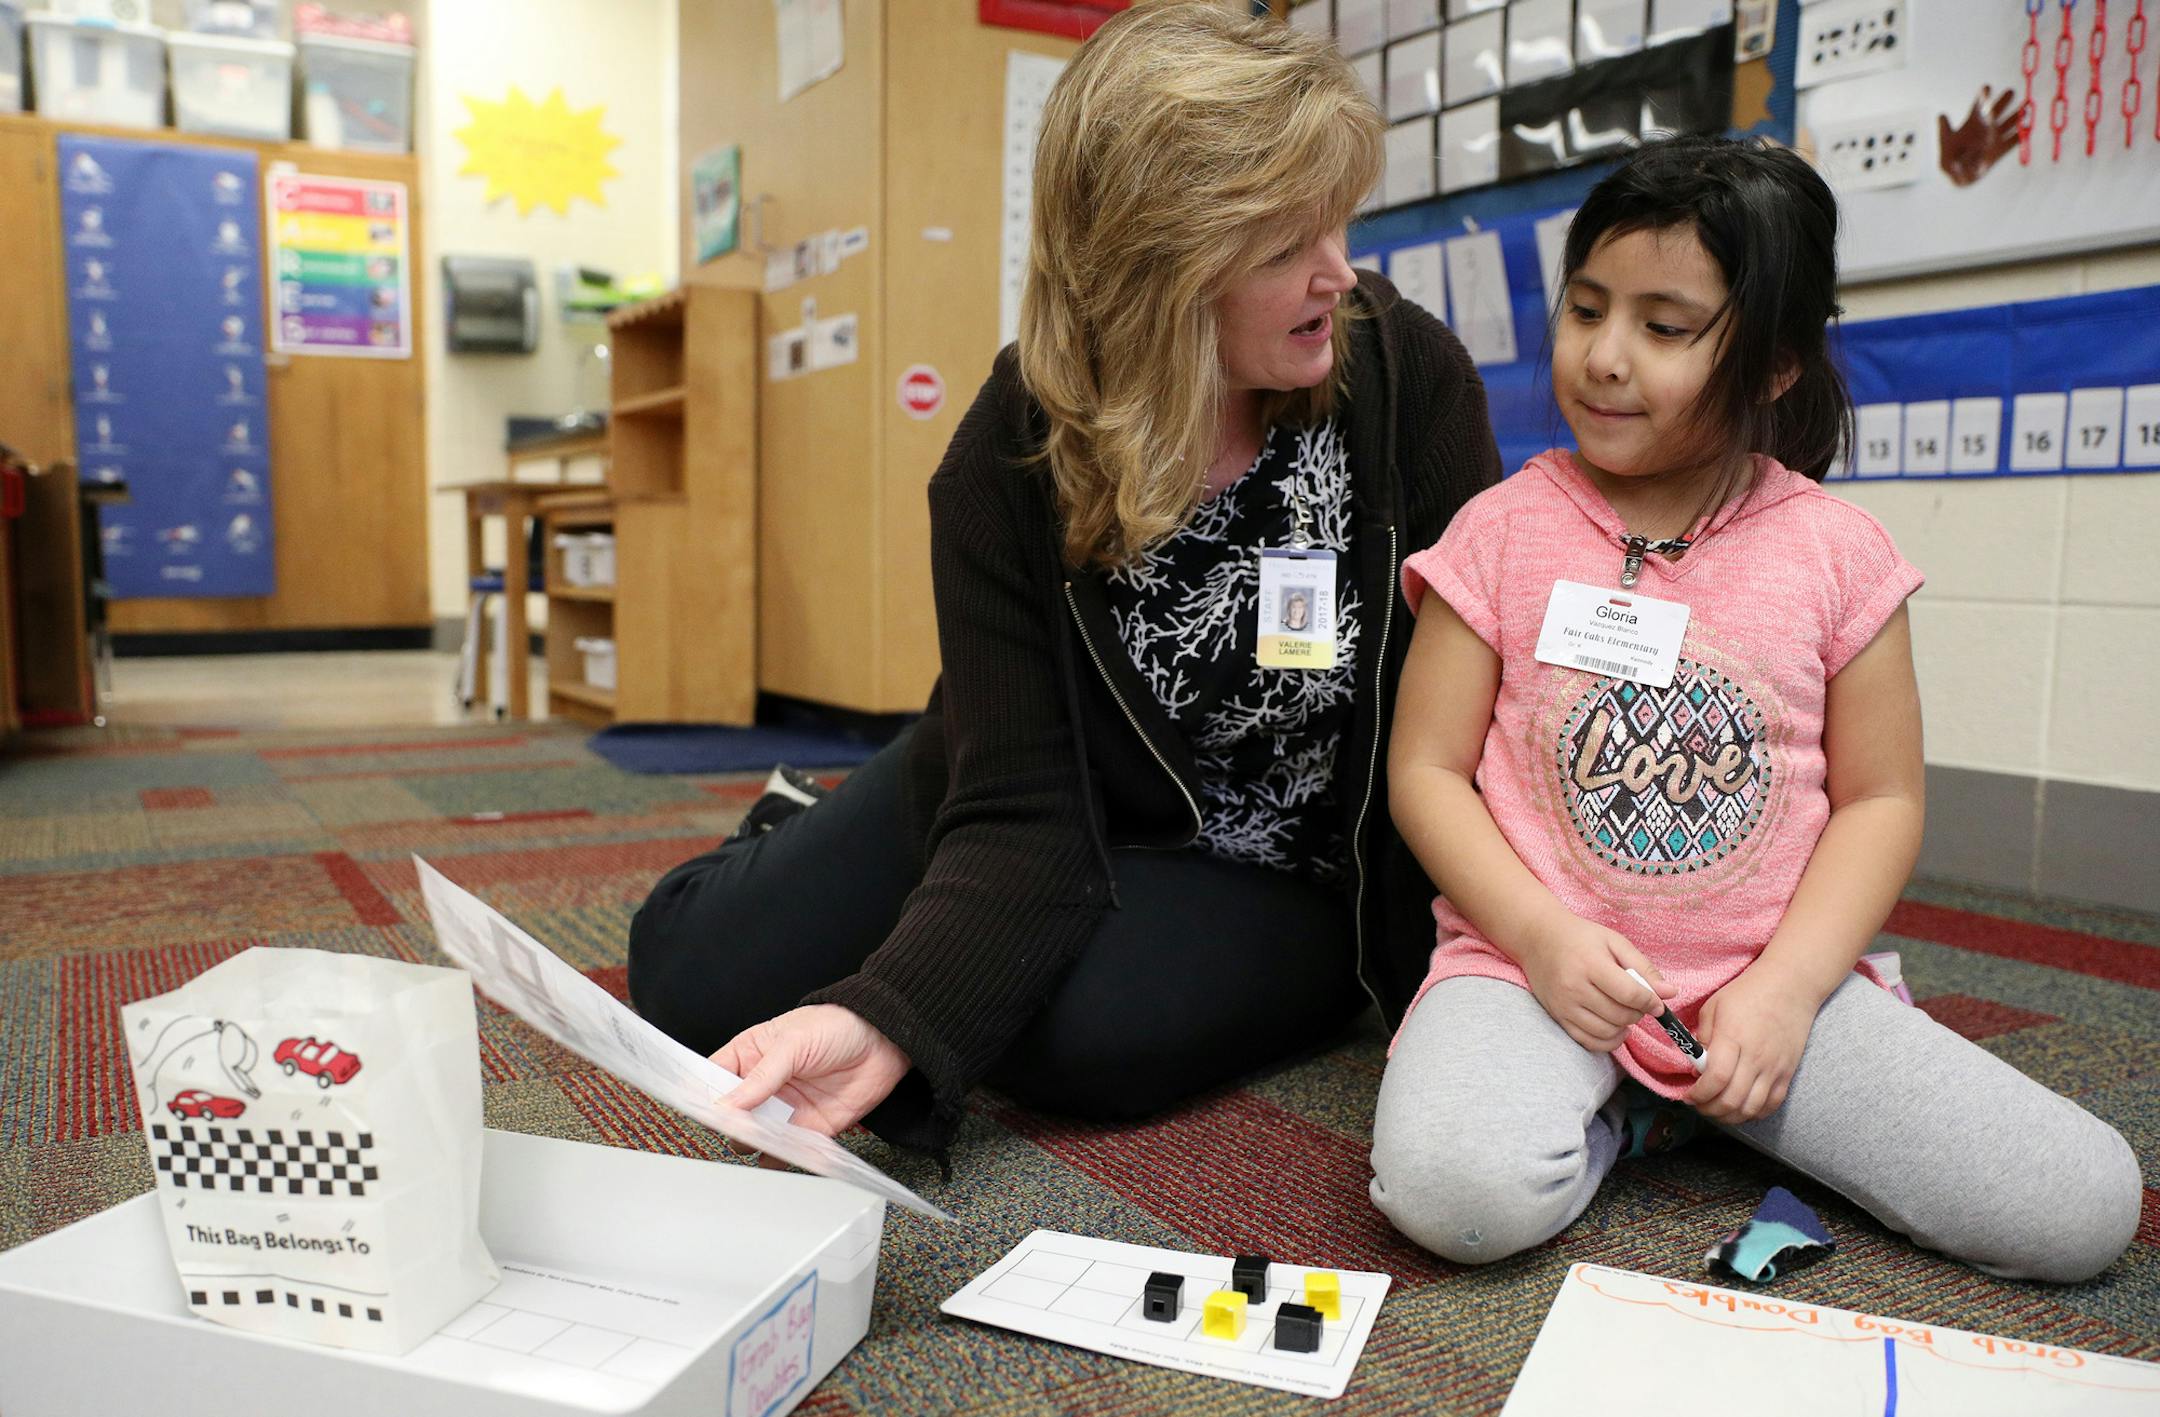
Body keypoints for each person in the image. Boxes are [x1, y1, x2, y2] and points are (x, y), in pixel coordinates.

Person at [626, 3, 1500, 1158]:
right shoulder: (1007, 455)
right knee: (686, 979)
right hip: (1015, 782)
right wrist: (882, 1015)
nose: (1338, 273)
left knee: (1079, 1040)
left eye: (1337, 224)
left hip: (1278, 857)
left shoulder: (1403, 383)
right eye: (1288, 245)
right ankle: (815, 826)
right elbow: (1023, 808)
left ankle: (950, 912)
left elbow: (1477, 720)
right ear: (1160, 265)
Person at [1369, 135, 2141, 1281]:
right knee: (1457, 1195)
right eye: (1586, 310)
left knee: (2086, 1208)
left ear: (1776, 364)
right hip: (1533, 973)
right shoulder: (1499, 530)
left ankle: (1705, 1097)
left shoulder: (1839, 554)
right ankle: (1639, 1113)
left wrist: (1783, 993)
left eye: (1664, 327)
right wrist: (1537, 937)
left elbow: (1881, 799)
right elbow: (1424, 770)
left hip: (1771, 986)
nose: (1605, 357)